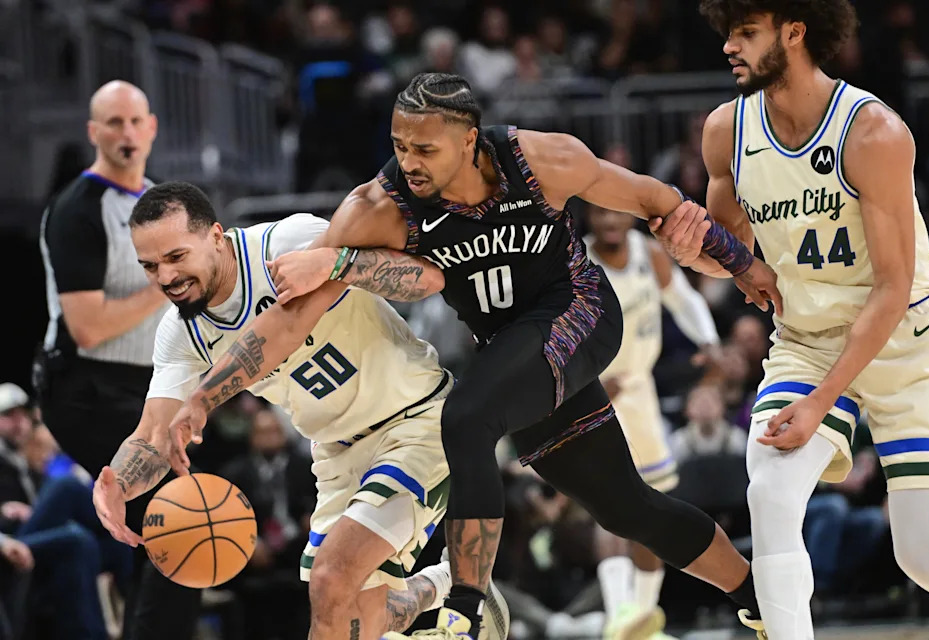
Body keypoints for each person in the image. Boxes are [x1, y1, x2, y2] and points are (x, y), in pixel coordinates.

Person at [169, 72, 783, 640]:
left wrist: (745, 266)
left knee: (464, 418)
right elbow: (291, 318)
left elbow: (659, 200)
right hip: (514, 356)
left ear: (469, 141)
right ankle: (762, 597)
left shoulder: (541, 159)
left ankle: (463, 612)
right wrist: (204, 395)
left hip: (580, 314)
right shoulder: (378, 207)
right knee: (626, 508)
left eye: (425, 149)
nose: (408, 162)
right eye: (399, 145)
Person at [653, 2, 929, 637]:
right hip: (808, 339)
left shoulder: (872, 131)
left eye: (745, 33)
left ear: (794, 31)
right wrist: (702, 256)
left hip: (905, 343)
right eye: (727, 34)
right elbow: (732, 252)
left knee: (925, 557)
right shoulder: (724, 132)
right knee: (769, 492)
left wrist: (823, 402)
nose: (729, 48)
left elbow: (893, 286)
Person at [90, 182, 510, 640]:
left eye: (176, 257)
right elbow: (154, 433)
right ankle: (442, 585)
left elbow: (425, 277)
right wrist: (118, 484)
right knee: (344, 619)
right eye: (149, 266)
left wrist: (342, 265)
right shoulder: (179, 334)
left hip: (416, 420)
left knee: (332, 577)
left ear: (215, 235)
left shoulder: (288, 243)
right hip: (335, 454)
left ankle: (456, 606)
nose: (165, 277)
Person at [34, 80, 204, 640]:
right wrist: (170, 278)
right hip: (84, 387)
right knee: (183, 519)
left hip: (147, 387)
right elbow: (88, 328)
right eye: (113, 123)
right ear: (93, 133)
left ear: (152, 128)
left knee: (158, 530)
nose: (126, 133)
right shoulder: (77, 210)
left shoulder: (159, 202)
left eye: (135, 122)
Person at [584, 205, 721, 640]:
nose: (609, 221)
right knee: (609, 509)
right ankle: (615, 617)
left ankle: (641, 620)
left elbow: (682, 297)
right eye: (599, 213)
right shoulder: (575, 261)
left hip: (638, 389)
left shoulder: (648, 253)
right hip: (594, 390)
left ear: (629, 217)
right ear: (587, 215)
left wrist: (710, 341)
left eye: (616, 213)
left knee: (651, 507)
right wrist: (578, 385)